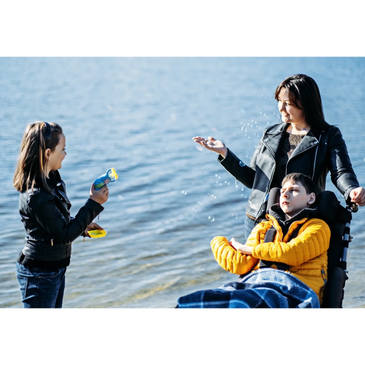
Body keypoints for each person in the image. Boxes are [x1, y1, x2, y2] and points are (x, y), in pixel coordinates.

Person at [193, 74, 365, 240]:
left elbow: (341, 172)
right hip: (258, 221)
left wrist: (351, 190)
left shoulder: (328, 136)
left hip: (301, 223)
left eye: (287, 103)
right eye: (279, 102)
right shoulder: (271, 133)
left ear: (306, 104)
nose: (281, 108)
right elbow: (254, 179)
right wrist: (225, 154)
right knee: (253, 270)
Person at [176, 173, 330, 311]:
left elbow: (292, 252)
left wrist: (248, 249)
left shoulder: (318, 227)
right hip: (256, 284)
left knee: (243, 303)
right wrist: (217, 242)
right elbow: (242, 264)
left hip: (296, 292)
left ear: (311, 198)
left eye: (294, 190)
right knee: (196, 301)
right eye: (283, 191)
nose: (285, 194)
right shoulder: (264, 227)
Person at [13, 121, 109, 311]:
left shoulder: (52, 180)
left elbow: (57, 226)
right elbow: (63, 236)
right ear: (48, 153)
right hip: (39, 273)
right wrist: (93, 204)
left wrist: (82, 226)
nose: (65, 154)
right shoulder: (37, 196)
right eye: (63, 149)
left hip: (54, 268)